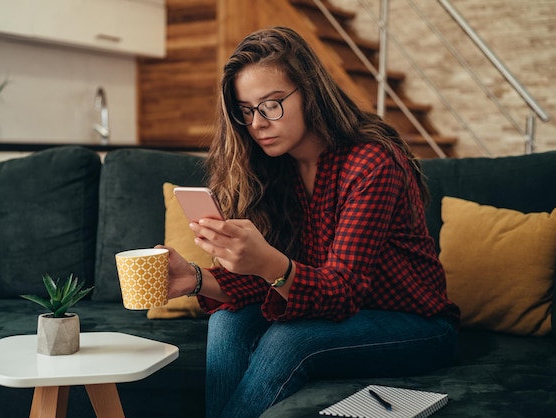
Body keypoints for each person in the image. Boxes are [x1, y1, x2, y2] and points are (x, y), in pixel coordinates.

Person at [162, 26, 460, 418]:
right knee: (228, 320)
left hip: (417, 324)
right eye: (247, 110)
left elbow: (343, 291)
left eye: (271, 104)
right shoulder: (273, 169)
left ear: (311, 92)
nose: (257, 124)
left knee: (289, 340)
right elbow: (266, 285)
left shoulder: (372, 163)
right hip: (334, 311)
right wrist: (195, 279)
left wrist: (268, 261)